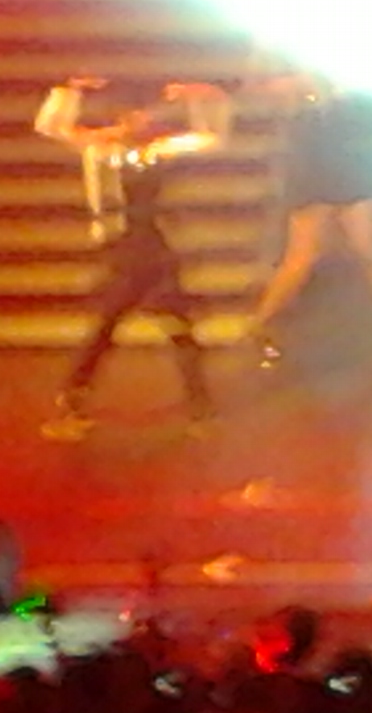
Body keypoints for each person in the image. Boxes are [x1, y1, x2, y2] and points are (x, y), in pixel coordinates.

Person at [34, 76, 233, 441]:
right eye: (132, 114)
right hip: (124, 247)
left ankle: (199, 407)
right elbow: (51, 126)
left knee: (162, 325)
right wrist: (69, 92)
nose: (140, 121)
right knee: (120, 325)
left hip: (151, 247)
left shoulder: (155, 150)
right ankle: (75, 401)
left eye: (143, 114)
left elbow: (210, 137)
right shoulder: (99, 148)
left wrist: (202, 97)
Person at [242, 73, 372, 365]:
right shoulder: (298, 85)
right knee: (304, 257)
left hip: (352, 161)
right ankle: (259, 325)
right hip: (318, 164)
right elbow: (263, 90)